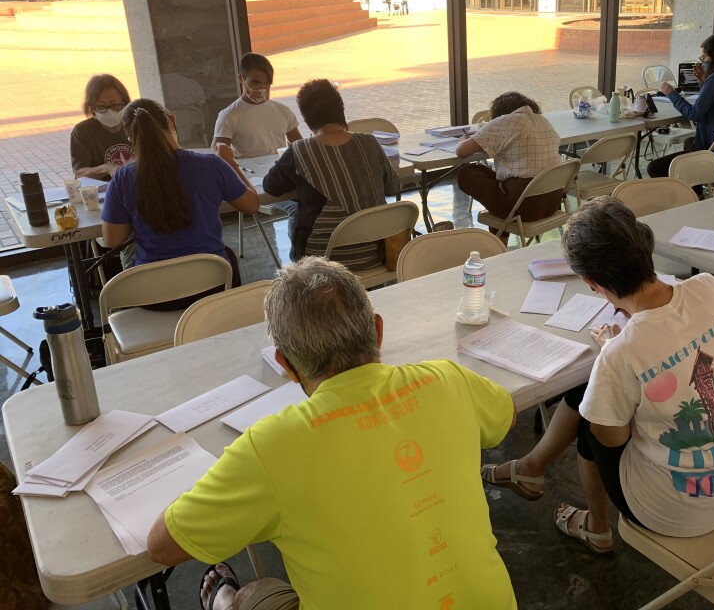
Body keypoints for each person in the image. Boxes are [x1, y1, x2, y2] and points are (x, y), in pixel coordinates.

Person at [146, 257, 518, 610]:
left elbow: (161, 546)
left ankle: (226, 601)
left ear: (286, 364)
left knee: (259, 593)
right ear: (377, 331)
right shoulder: (448, 378)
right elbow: (506, 416)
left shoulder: (271, 448)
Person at [482, 197, 714, 551]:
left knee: (593, 421)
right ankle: (530, 469)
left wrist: (616, 353)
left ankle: (596, 526)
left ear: (591, 283)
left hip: (675, 511)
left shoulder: (621, 353)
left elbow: (611, 439)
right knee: (598, 391)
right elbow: (698, 338)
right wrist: (622, 354)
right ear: (645, 245)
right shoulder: (710, 286)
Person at [101, 99, 259, 286]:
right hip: (211, 283)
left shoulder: (122, 178)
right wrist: (230, 162)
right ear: (172, 121)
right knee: (228, 256)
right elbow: (251, 205)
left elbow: (112, 240)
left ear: (130, 137)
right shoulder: (211, 166)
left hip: (153, 290)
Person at [262, 79, 401, 265]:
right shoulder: (370, 142)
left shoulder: (300, 150)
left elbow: (270, 186)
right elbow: (393, 187)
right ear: (341, 110)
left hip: (321, 265)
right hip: (376, 256)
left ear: (307, 119)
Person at [455, 92, 562, 233]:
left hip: (524, 207)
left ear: (499, 111)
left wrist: (465, 140)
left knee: (467, 174)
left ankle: (499, 243)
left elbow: (461, 151)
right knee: (497, 187)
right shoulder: (543, 121)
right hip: (553, 202)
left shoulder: (506, 121)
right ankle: (499, 240)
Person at [648, 34, 714, 178]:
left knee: (654, 167)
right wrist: (703, 83)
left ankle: (692, 185)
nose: (701, 63)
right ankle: (696, 186)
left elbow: (695, 114)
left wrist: (671, 93)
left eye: (703, 58)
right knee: (689, 142)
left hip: (710, 152)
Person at [213, 53, 303, 159]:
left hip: (280, 168)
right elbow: (217, 154)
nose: (262, 88)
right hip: (247, 169)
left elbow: (300, 147)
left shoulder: (283, 111)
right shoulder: (228, 115)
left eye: (267, 84)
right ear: (241, 79)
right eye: (256, 84)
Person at [70, 74, 135, 180]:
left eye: (115, 105)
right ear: (91, 108)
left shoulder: (136, 125)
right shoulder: (82, 131)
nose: (109, 111)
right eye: (101, 106)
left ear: (125, 103)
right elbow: (79, 172)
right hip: (103, 188)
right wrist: (106, 168)